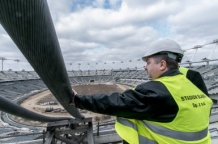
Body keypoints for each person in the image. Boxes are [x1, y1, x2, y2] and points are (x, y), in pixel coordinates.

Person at [71, 39, 213, 144]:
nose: (145, 67)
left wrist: (78, 99)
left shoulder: (157, 90)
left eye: (148, 62)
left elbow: (115, 102)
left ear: (162, 65)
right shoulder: (194, 82)